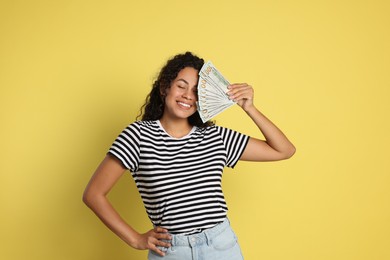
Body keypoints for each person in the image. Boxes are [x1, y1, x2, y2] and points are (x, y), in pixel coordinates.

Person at [83, 51, 295, 259]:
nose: (187, 96)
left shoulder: (215, 137)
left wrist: (250, 108)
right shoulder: (137, 137)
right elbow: (93, 194)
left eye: (196, 91)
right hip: (171, 252)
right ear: (165, 87)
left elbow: (283, 150)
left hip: (221, 248)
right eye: (181, 86)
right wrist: (135, 239)